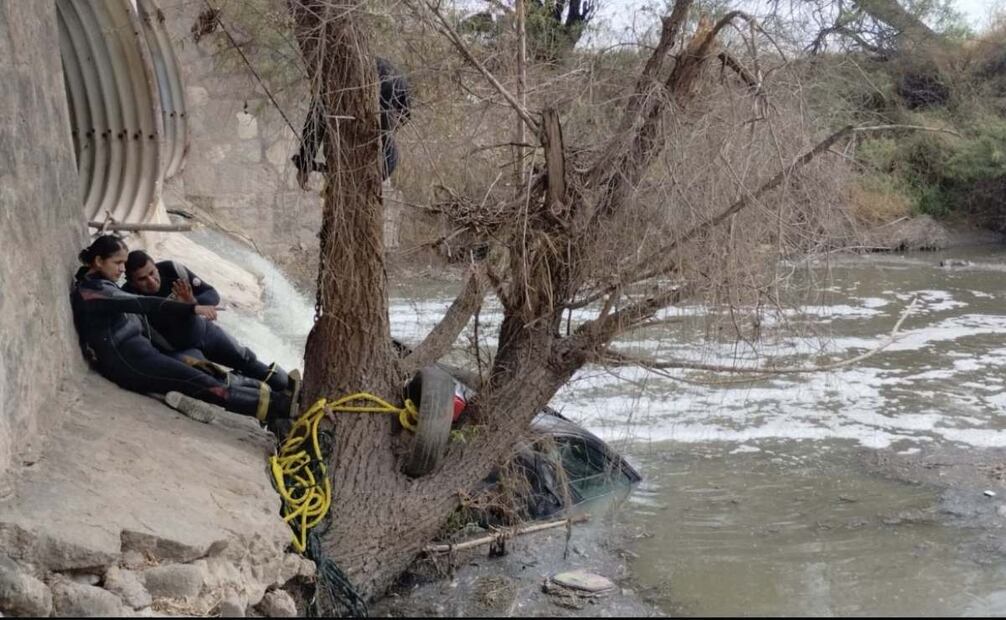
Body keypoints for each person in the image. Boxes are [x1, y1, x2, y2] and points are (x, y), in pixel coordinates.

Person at [71, 235, 296, 423]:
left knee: (240, 360)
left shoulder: (165, 272)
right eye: (117, 263)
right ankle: (283, 411)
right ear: (99, 261)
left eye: (123, 263)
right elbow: (142, 304)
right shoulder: (94, 292)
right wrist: (190, 308)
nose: (121, 269)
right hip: (134, 363)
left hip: (162, 349)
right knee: (210, 383)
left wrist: (191, 303)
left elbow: (209, 294)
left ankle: (285, 392)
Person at [122, 250, 299, 396]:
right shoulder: (128, 299)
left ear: (156, 265)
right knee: (214, 378)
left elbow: (211, 294)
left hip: (204, 332)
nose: (151, 281)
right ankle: (272, 402)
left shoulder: (172, 270)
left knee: (245, 358)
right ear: (131, 282)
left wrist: (193, 302)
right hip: (179, 350)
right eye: (142, 279)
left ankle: (290, 388)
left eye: (152, 273)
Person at [292, 56, 411, 188]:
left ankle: (373, 178)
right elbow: (404, 116)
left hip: (381, 82)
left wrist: (304, 163)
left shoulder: (331, 75)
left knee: (384, 134)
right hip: (395, 80)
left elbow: (315, 123)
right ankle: (377, 175)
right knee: (385, 134)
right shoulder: (337, 71)